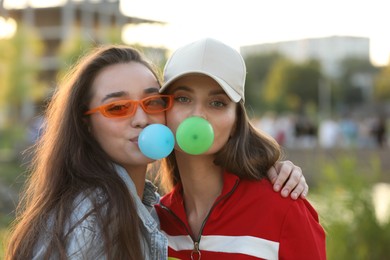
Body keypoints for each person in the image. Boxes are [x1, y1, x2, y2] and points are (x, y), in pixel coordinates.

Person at [5, 45, 308, 260]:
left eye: (152, 102)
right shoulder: (94, 218)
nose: (140, 118)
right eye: (117, 108)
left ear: (236, 119)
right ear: (85, 125)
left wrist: (271, 166)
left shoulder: (153, 214)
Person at [155, 38, 326, 259]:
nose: (197, 114)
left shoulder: (283, 208)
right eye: (183, 98)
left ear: (236, 119)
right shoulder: (155, 220)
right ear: (163, 110)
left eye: (217, 103)